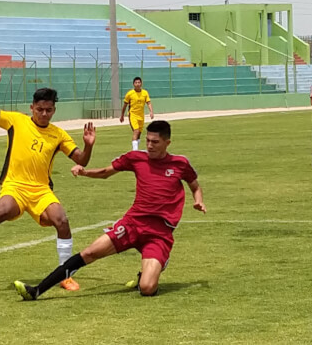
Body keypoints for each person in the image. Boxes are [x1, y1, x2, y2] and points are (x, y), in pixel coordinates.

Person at [13, 120, 205, 300]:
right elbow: (106, 172)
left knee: (147, 288)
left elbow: (194, 185)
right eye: (147, 140)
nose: (150, 145)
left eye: (155, 142)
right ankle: (36, 290)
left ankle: (150, 271)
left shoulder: (180, 163)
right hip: (133, 224)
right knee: (89, 253)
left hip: (159, 233)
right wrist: (85, 172)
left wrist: (198, 201)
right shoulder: (136, 158)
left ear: (167, 142)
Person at [0, 67, 96, 292]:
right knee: (2, 211)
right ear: (32, 107)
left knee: (62, 221)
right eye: (40, 109)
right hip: (14, 185)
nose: (44, 114)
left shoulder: (58, 134)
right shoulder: (16, 120)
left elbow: (81, 159)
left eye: (49, 110)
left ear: (54, 110)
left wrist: (88, 145)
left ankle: (65, 274)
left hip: (41, 190)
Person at [119, 77, 154, 151]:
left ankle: (136, 149)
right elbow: (125, 105)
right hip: (133, 115)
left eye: (139, 82)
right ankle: (135, 150)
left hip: (141, 116)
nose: (137, 84)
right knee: (136, 130)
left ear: (141, 83)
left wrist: (151, 112)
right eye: (136, 83)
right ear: (133, 84)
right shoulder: (130, 94)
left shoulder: (145, 93)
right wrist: (122, 115)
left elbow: (148, 103)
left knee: (139, 134)